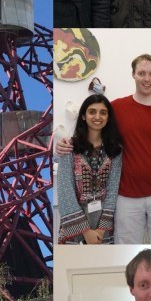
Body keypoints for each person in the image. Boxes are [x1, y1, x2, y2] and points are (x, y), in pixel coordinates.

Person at [56, 54, 151, 244]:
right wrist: (65, 143)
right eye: (141, 73)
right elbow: (95, 129)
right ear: (133, 75)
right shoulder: (116, 108)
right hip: (125, 196)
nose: (147, 79)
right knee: (125, 248)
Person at [57, 94, 122, 244]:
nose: (97, 116)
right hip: (74, 227)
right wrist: (85, 231)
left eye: (103, 112)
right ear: (83, 116)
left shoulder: (115, 150)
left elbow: (113, 190)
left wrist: (101, 229)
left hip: (104, 227)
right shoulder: (69, 147)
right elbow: (65, 190)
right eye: (92, 111)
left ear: (108, 118)